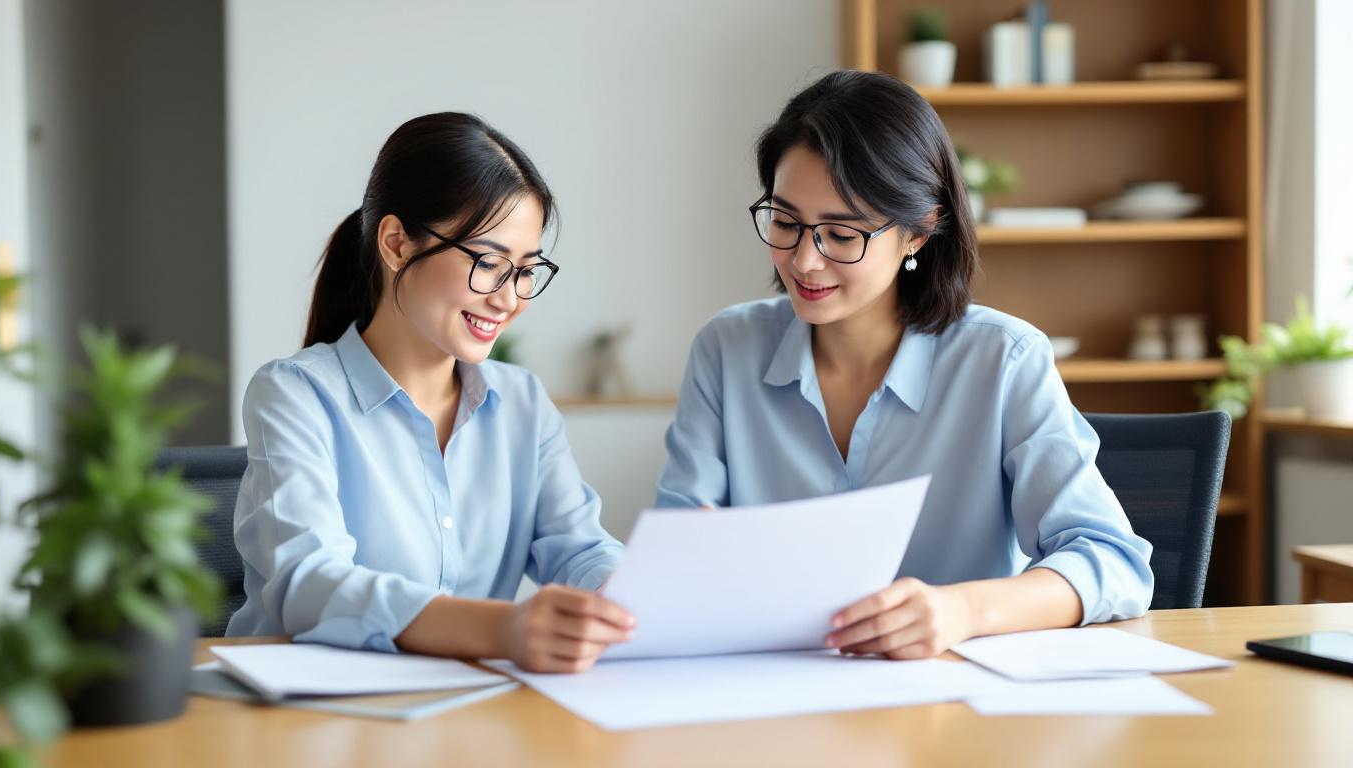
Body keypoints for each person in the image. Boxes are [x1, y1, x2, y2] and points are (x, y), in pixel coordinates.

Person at [656, 71, 1153, 659]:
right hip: (780, 701)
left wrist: (961, 611)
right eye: (785, 222)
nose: (804, 260)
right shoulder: (726, 350)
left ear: (918, 232)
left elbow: (1112, 560)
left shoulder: (1004, 360)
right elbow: (675, 560)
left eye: (841, 233)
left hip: (957, 709)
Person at [227, 113, 633, 673]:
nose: (509, 298)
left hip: (462, 713)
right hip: (309, 720)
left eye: (526, 271)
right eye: (490, 264)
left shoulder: (523, 404)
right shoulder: (294, 395)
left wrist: (637, 596)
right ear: (395, 243)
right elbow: (310, 583)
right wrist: (504, 628)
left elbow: (579, 547)